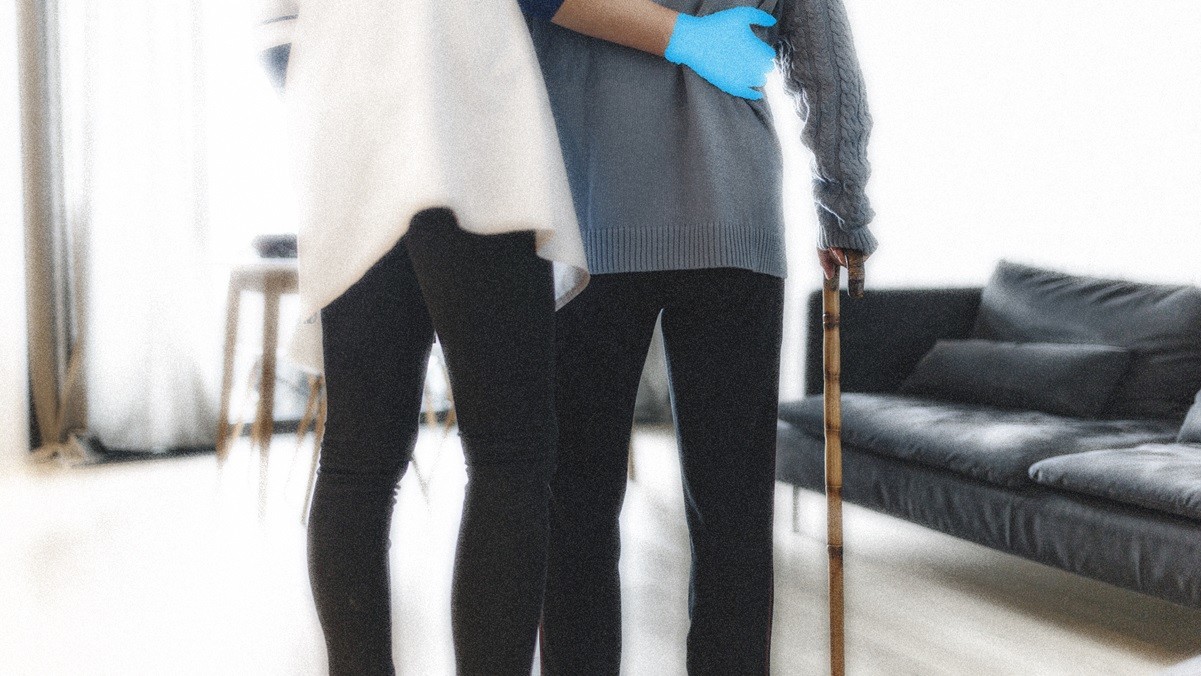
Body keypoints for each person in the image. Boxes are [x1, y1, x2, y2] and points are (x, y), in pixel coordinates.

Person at [253, 0, 783, 673]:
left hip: (348, 129)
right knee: (510, 454)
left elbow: (276, 34)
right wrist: (686, 37)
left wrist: (361, 99)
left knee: (359, 456)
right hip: (467, 116)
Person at [524, 0, 878, 673]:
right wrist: (844, 211)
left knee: (574, 506)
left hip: (589, 219)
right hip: (732, 216)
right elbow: (827, 67)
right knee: (733, 511)